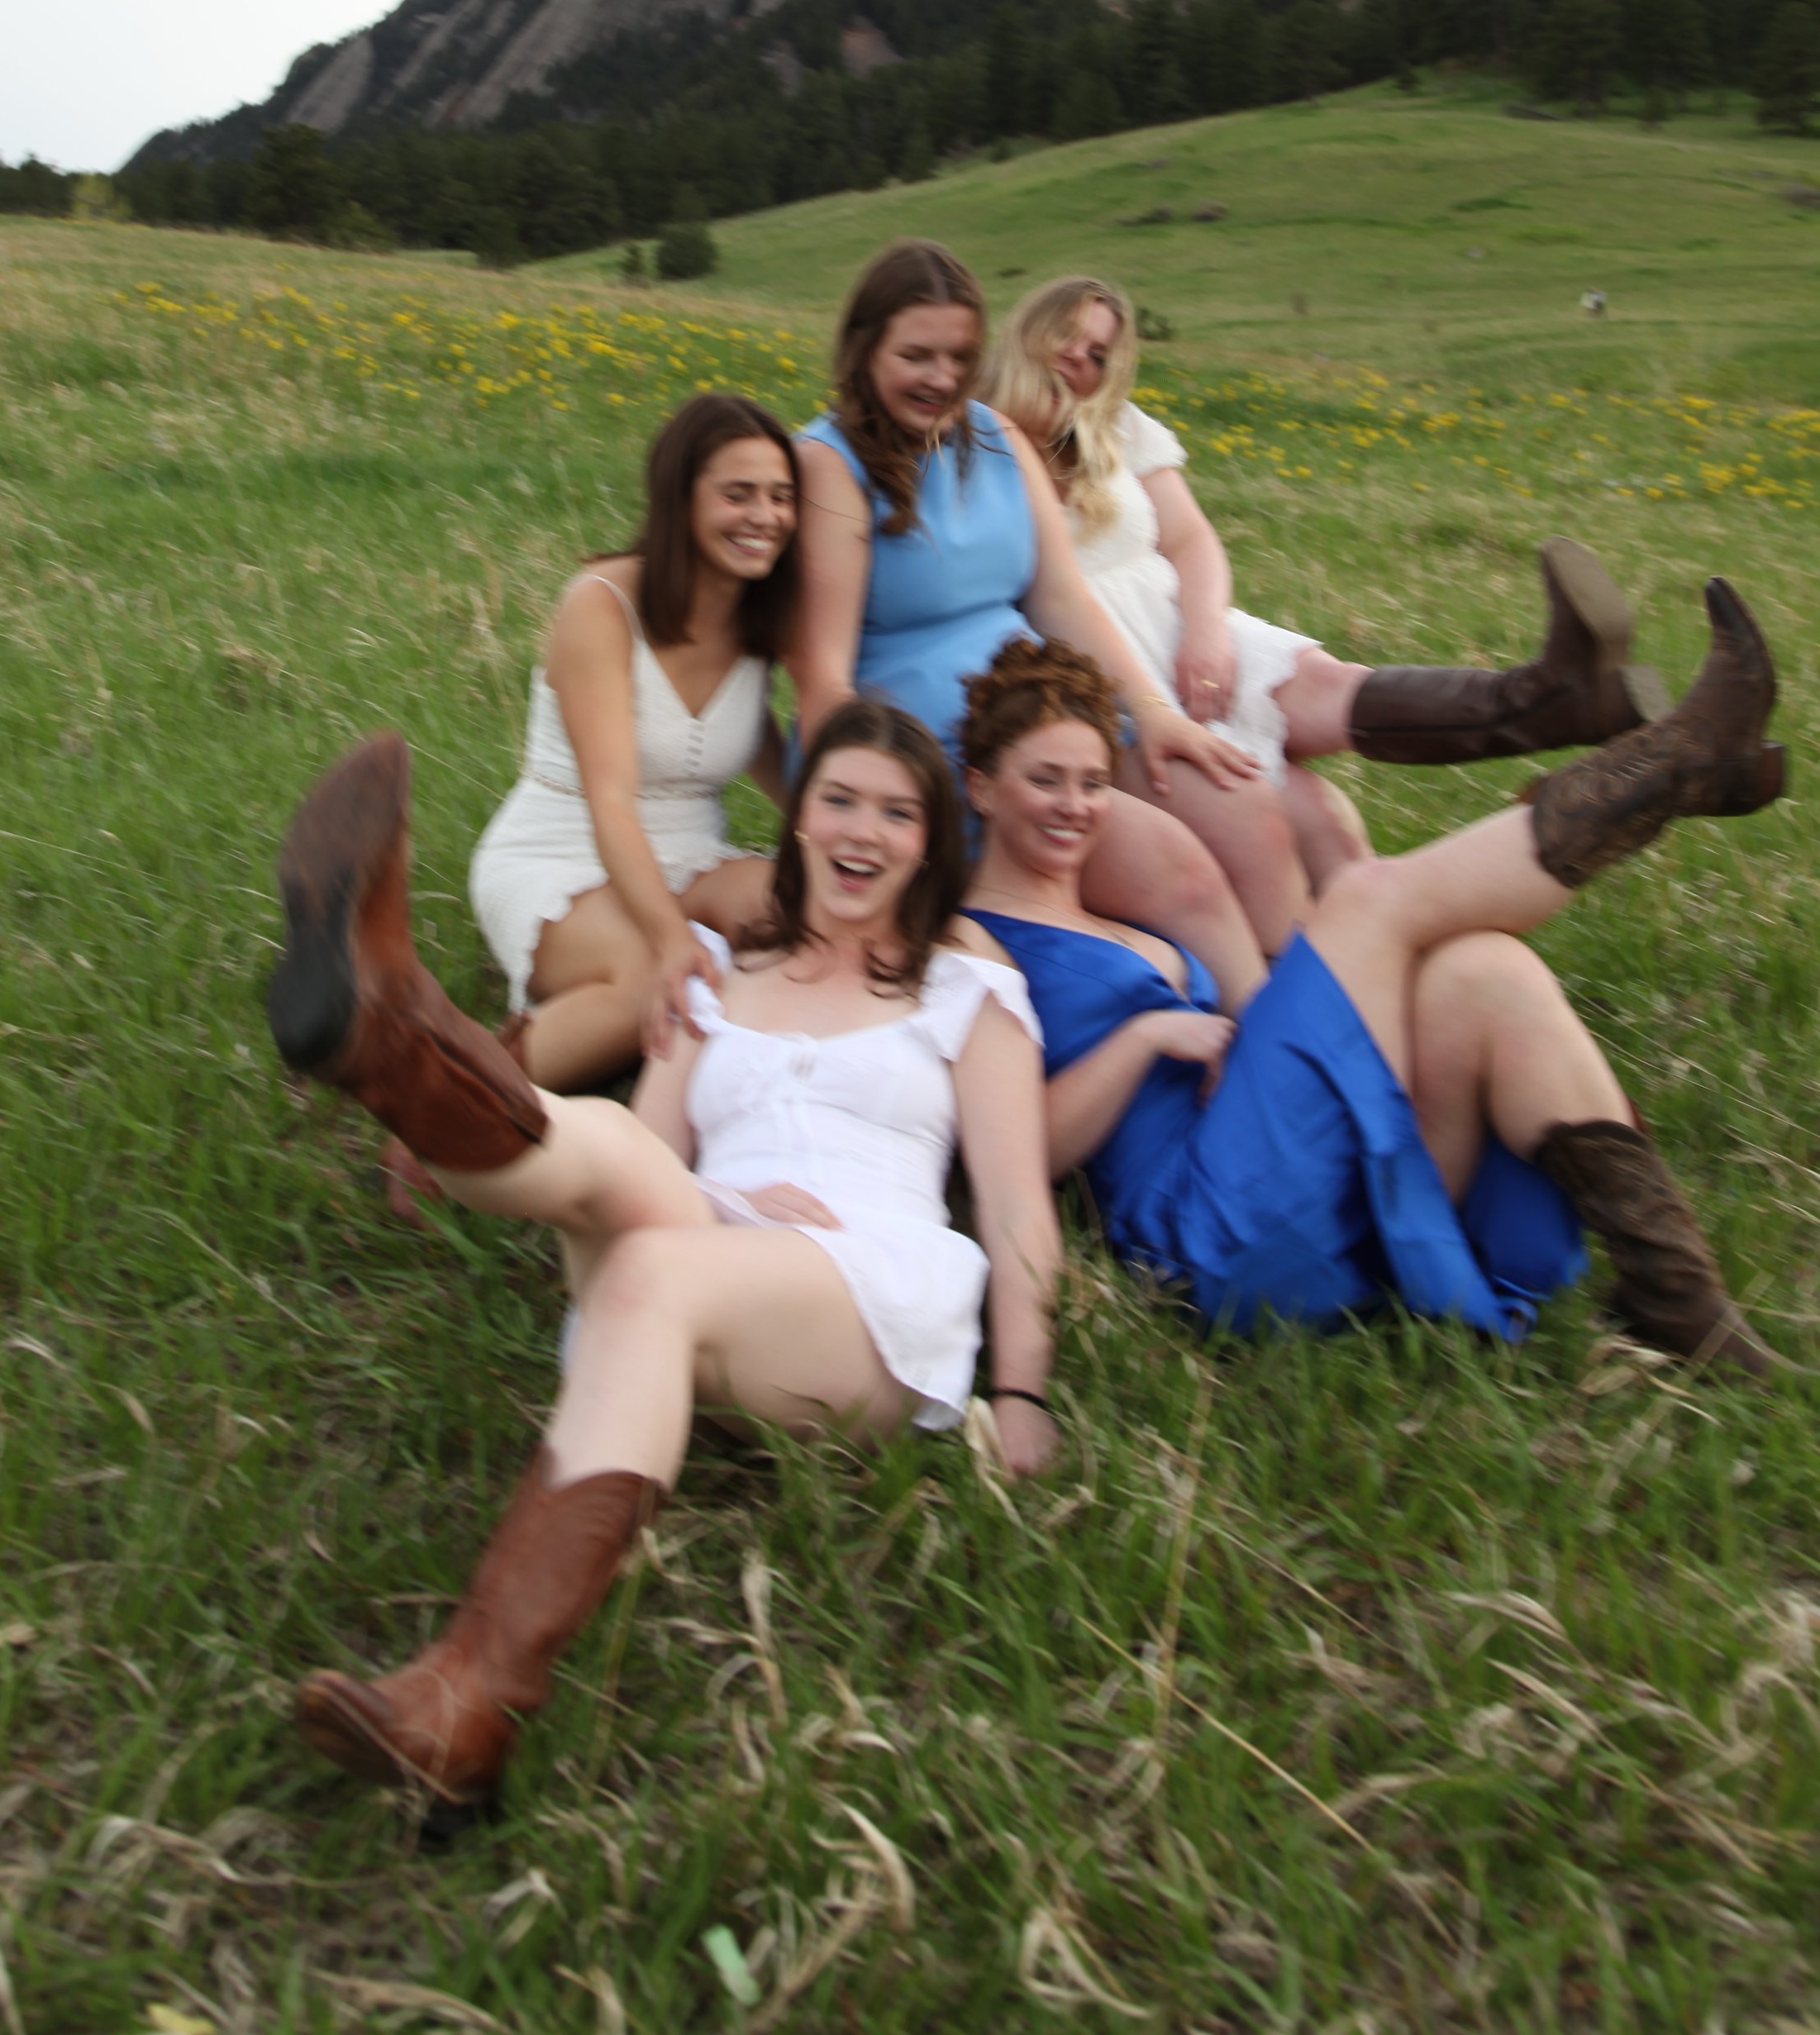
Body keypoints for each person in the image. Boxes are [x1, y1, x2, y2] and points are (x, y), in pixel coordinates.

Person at [263, 702, 1062, 1827]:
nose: (863, 829)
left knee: (651, 1266)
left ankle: (476, 1691)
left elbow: (1021, 1207)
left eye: (896, 810)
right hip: (699, 1248)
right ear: (799, 821)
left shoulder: (966, 993)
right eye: (838, 798)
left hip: (864, 1295)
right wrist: (728, 1202)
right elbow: (641, 1160)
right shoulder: (716, 977)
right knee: (616, 1157)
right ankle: (387, 1042)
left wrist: (1020, 1388)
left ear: (929, 840)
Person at [960, 612, 1784, 1368]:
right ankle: (1676, 767)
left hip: (1267, 1158)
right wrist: (1143, 1041)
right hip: (1202, 1232)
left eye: (1093, 783)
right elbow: (1010, 1158)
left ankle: (1678, 1300)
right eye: (1045, 781)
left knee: (1484, 973)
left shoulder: (1116, 910)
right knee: (1362, 901)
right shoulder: (971, 941)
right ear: (980, 787)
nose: (1074, 807)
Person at [981, 274, 1671, 920]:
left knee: (1329, 684)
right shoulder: (972, 439)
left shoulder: (1115, 425)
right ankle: (1369, 962)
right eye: (1065, 335)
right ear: (1025, 333)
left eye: (1099, 353)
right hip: (1105, 666)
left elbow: (1192, 541)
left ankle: (1551, 697)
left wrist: (1207, 632)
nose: (1077, 359)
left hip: (1178, 625)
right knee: (1317, 818)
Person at [793, 241, 1313, 1009]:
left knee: (1248, 814)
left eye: (959, 356)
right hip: (946, 760)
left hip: (1050, 717)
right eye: (917, 355)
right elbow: (822, 678)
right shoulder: (829, 464)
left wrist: (1156, 715)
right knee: (1186, 877)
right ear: (865, 348)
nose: (941, 378)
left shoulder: (995, 438)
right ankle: (1277, 1056)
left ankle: (1318, 1014)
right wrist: (879, 802)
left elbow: (1062, 598)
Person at [467, 391, 797, 1093]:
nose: (764, 518)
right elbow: (609, 801)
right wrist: (673, 938)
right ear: (680, 500)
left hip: (692, 851)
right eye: (738, 495)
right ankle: (456, 1115)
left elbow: (776, 764)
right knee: (652, 978)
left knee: (808, 917)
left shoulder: (759, 611)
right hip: (564, 851)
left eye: (780, 496)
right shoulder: (602, 603)